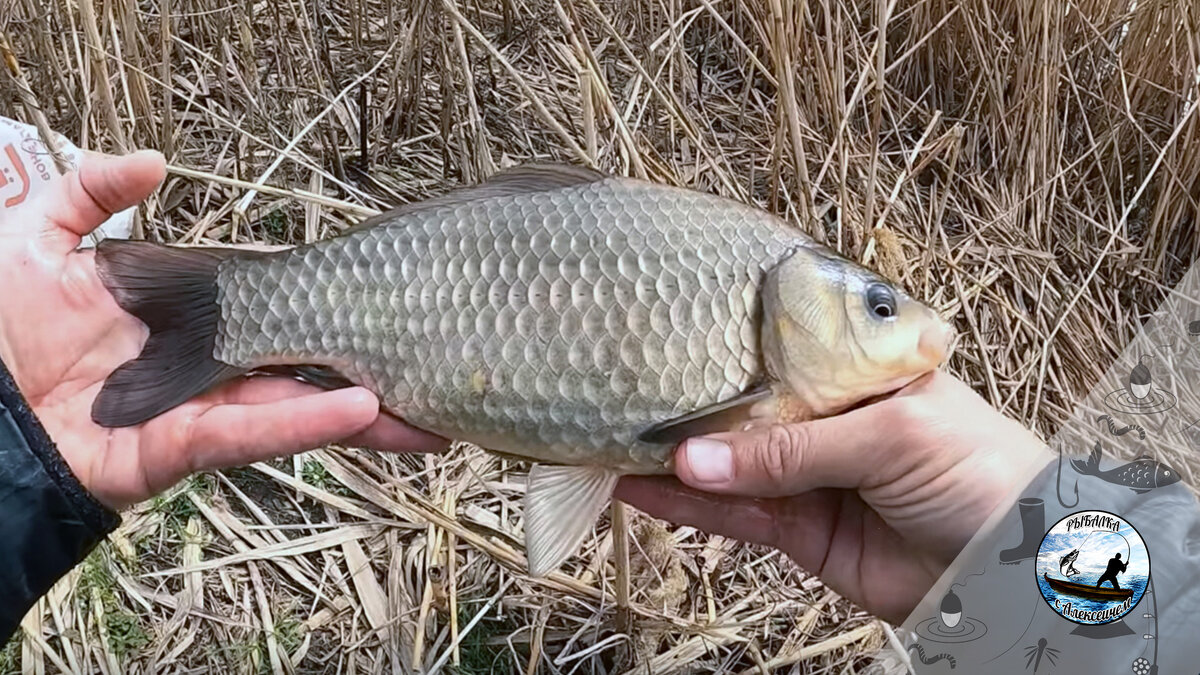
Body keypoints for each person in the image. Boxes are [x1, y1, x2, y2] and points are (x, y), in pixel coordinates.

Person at [0, 149, 1051, 642]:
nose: (910, 333)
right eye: (875, 308)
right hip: (429, 297)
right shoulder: (746, 326)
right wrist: (1031, 575)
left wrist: (999, 553)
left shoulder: (750, 284)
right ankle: (217, 315)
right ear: (792, 311)